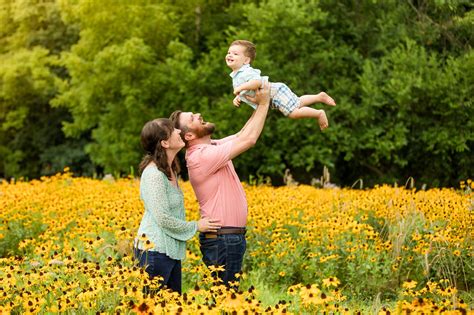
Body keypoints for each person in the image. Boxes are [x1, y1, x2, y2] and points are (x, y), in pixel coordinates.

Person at [169, 82, 271, 287]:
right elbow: (249, 140)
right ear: (189, 136)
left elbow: (243, 134)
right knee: (226, 300)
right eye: (192, 118)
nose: (198, 114)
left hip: (227, 238)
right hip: (223, 239)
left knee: (227, 298)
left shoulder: (211, 146)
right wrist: (264, 104)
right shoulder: (201, 156)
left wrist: (258, 104)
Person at [133, 118, 221, 294]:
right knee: (152, 309)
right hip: (153, 251)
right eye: (173, 130)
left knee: (171, 307)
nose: (179, 131)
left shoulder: (169, 169)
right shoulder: (154, 175)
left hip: (167, 252)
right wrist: (196, 226)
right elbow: (163, 218)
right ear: (164, 143)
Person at [226, 39, 336, 130]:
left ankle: (319, 113)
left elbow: (256, 82)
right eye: (229, 53)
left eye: (235, 54)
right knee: (298, 102)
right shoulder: (237, 75)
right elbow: (245, 90)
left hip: (276, 93)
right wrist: (238, 97)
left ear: (246, 60)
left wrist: (240, 88)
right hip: (274, 95)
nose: (230, 55)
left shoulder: (246, 71)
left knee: (293, 113)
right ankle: (319, 97)